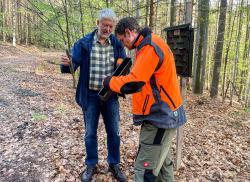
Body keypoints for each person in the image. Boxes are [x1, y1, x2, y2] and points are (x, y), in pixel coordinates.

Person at [102, 17, 187, 182]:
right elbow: (146, 80)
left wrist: (110, 82)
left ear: (128, 32)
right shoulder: (147, 45)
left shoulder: (149, 47)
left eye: (122, 40)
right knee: (163, 166)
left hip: (160, 117)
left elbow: (135, 82)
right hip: (163, 114)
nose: (122, 44)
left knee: (145, 170)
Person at [60, 9, 126, 182]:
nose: (108, 29)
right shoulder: (84, 43)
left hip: (111, 96)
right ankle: (91, 164)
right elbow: (73, 66)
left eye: (111, 26)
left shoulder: (117, 44)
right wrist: (68, 64)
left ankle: (114, 163)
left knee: (115, 132)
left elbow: (123, 67)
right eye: (105, 25)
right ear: (98, 23)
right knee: (90, 133)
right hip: (90, 96)